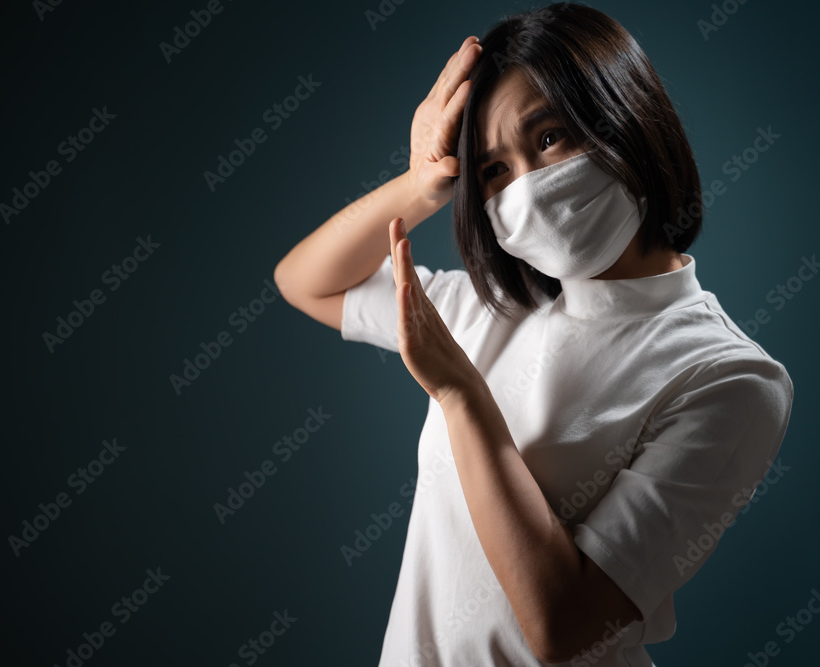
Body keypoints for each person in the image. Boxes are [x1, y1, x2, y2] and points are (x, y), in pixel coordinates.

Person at [272, 3, 794, 665]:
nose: (530, 188)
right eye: (494, 170)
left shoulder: (729, 377)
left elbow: (565, 627)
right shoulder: (490, 309)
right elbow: (305, 281)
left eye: (549, 138)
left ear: (627, 119)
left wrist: (461, 394)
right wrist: (421, 183)